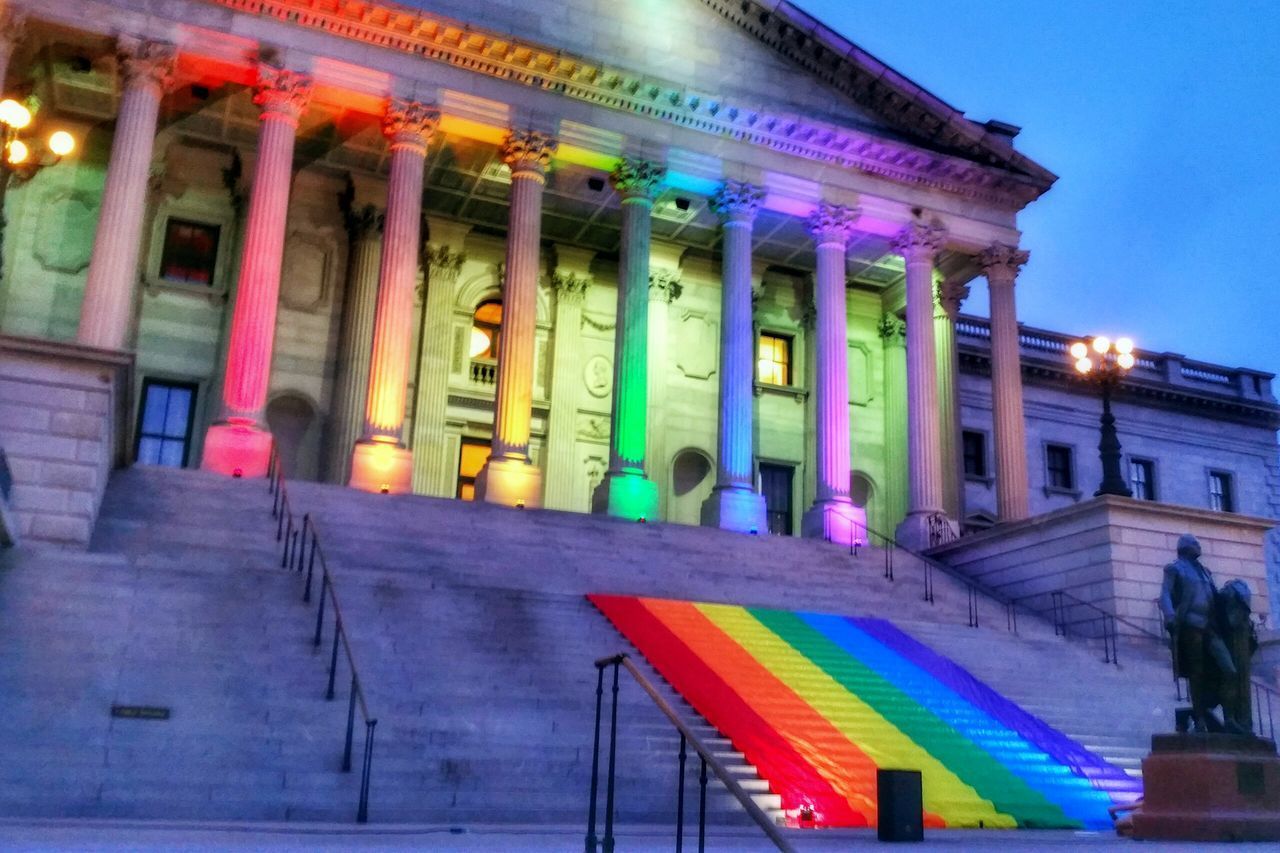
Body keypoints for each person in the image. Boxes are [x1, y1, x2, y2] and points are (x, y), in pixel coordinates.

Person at [1159, 533, 1225, 732]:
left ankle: (1202, 708)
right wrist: (1170, 616)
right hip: (1190, 625)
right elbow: (1165, 595)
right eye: (1195, 543)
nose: (1199, 546)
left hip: (1210, 627)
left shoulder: (1205, 572)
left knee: (1227, 668)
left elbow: (1215, 597)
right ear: (1185, 547)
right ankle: (1199, 717)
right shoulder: (1175, 568)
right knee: (1197, 672)